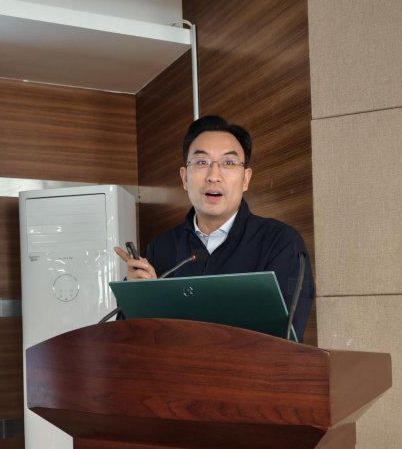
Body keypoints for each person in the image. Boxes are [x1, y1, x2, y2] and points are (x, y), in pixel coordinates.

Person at [114, 115, 315, 341]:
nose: (213, 176)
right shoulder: (160, 249)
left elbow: (285, 339)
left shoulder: (281, 243)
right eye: (202, 162)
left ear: (246, 179)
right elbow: (126, 337)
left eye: (228, 163)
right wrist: (139, 298)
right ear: (184, 178)